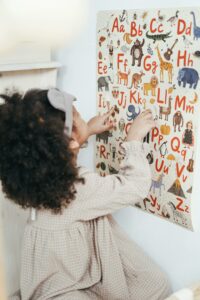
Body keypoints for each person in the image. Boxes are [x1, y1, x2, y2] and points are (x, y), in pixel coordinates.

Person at [0, 88, 171, 300]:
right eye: (77, 117)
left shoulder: (39, 176)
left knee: (154, 282)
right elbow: (135, 186)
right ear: (70, 141)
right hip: (63, 288)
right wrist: (133, 139)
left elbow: (62, 143)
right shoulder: (78, 188)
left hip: (48, 269)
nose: (81, 117)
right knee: (155, 284)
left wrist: (86, 130)